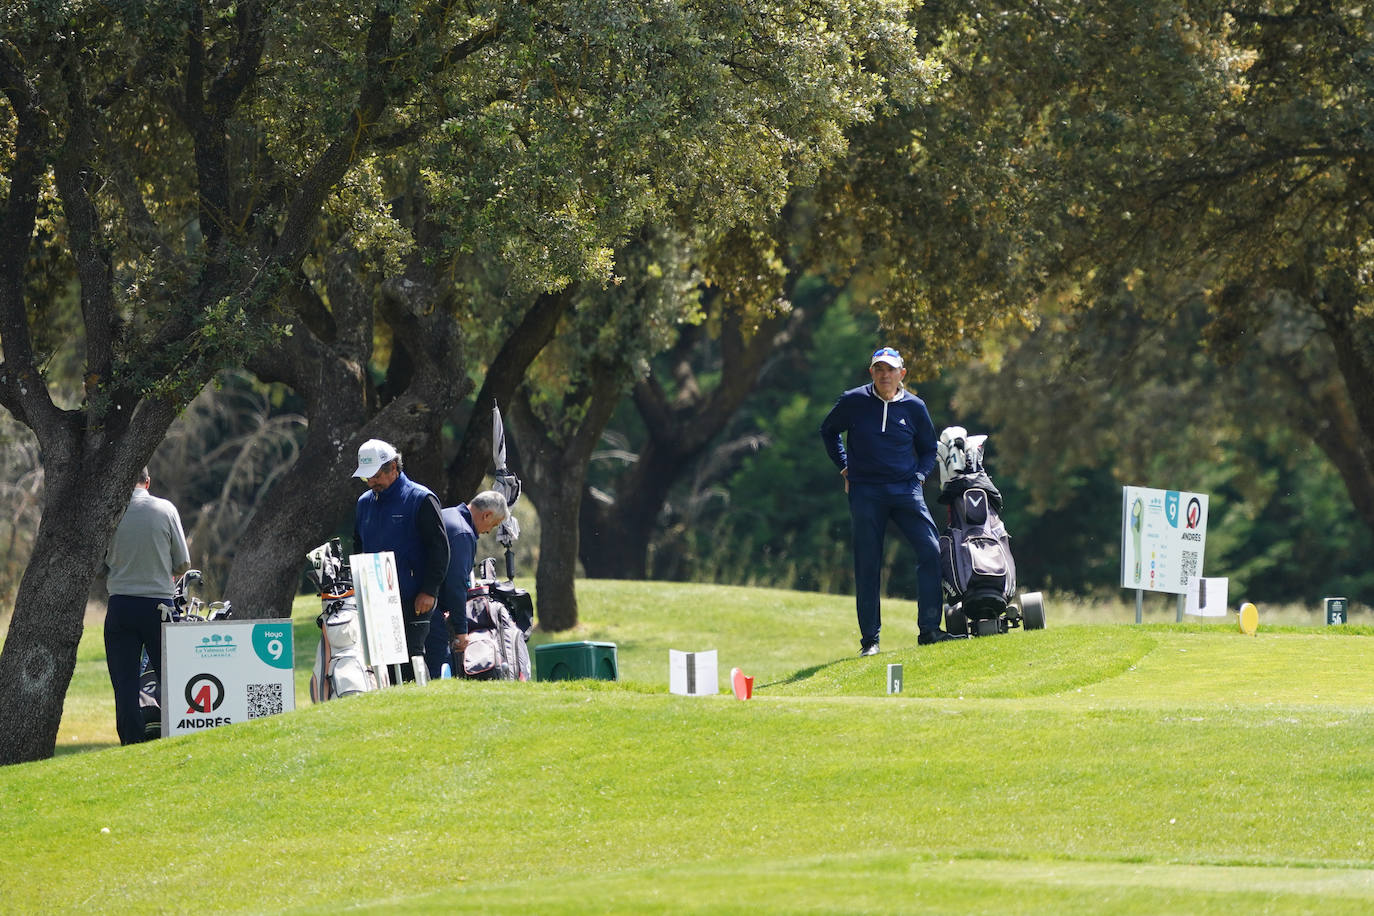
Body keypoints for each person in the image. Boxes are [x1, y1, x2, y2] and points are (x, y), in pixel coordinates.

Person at [819, 346, 960, 655]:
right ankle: (870, 640)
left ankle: (930, 631)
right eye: (879, 369)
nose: (884, 375)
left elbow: (927, 449)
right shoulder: (853, 401)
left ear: (902, 374)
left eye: (890, 369)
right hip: (865, 491)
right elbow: (828, 431)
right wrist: (844, 467)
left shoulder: (914, 407)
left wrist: (921, 477)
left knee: (931, 550)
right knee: (868, 562)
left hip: (905, 490)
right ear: (871, 372)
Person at [104, 466, 191, 744]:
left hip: (120, 605)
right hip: (158, 606)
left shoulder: (111, 513)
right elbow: (183, 562)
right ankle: (177, 733)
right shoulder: (165, 509)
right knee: (171, 677)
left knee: (125, 683)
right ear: (148, 481)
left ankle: (131, 741)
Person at [352, 439, 450, 682]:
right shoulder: (364, 503)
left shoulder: (421, 498)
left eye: (375, 476)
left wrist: (429, 590)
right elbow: (359, 545)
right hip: (376, 599)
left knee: (412, 658)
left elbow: (440, 549)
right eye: (367, 478)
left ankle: (419, 707)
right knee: (382, 663)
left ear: (393, 467)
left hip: (415, 598)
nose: (371, 482)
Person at [429, 490, 510, 677]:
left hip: (417, 600)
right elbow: (456, 585)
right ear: (487, 514)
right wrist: (461, 631)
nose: (489, 530)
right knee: (440, 670)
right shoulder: (463, 533)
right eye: (494, 524)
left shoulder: (448, 514)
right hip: (431, 609)